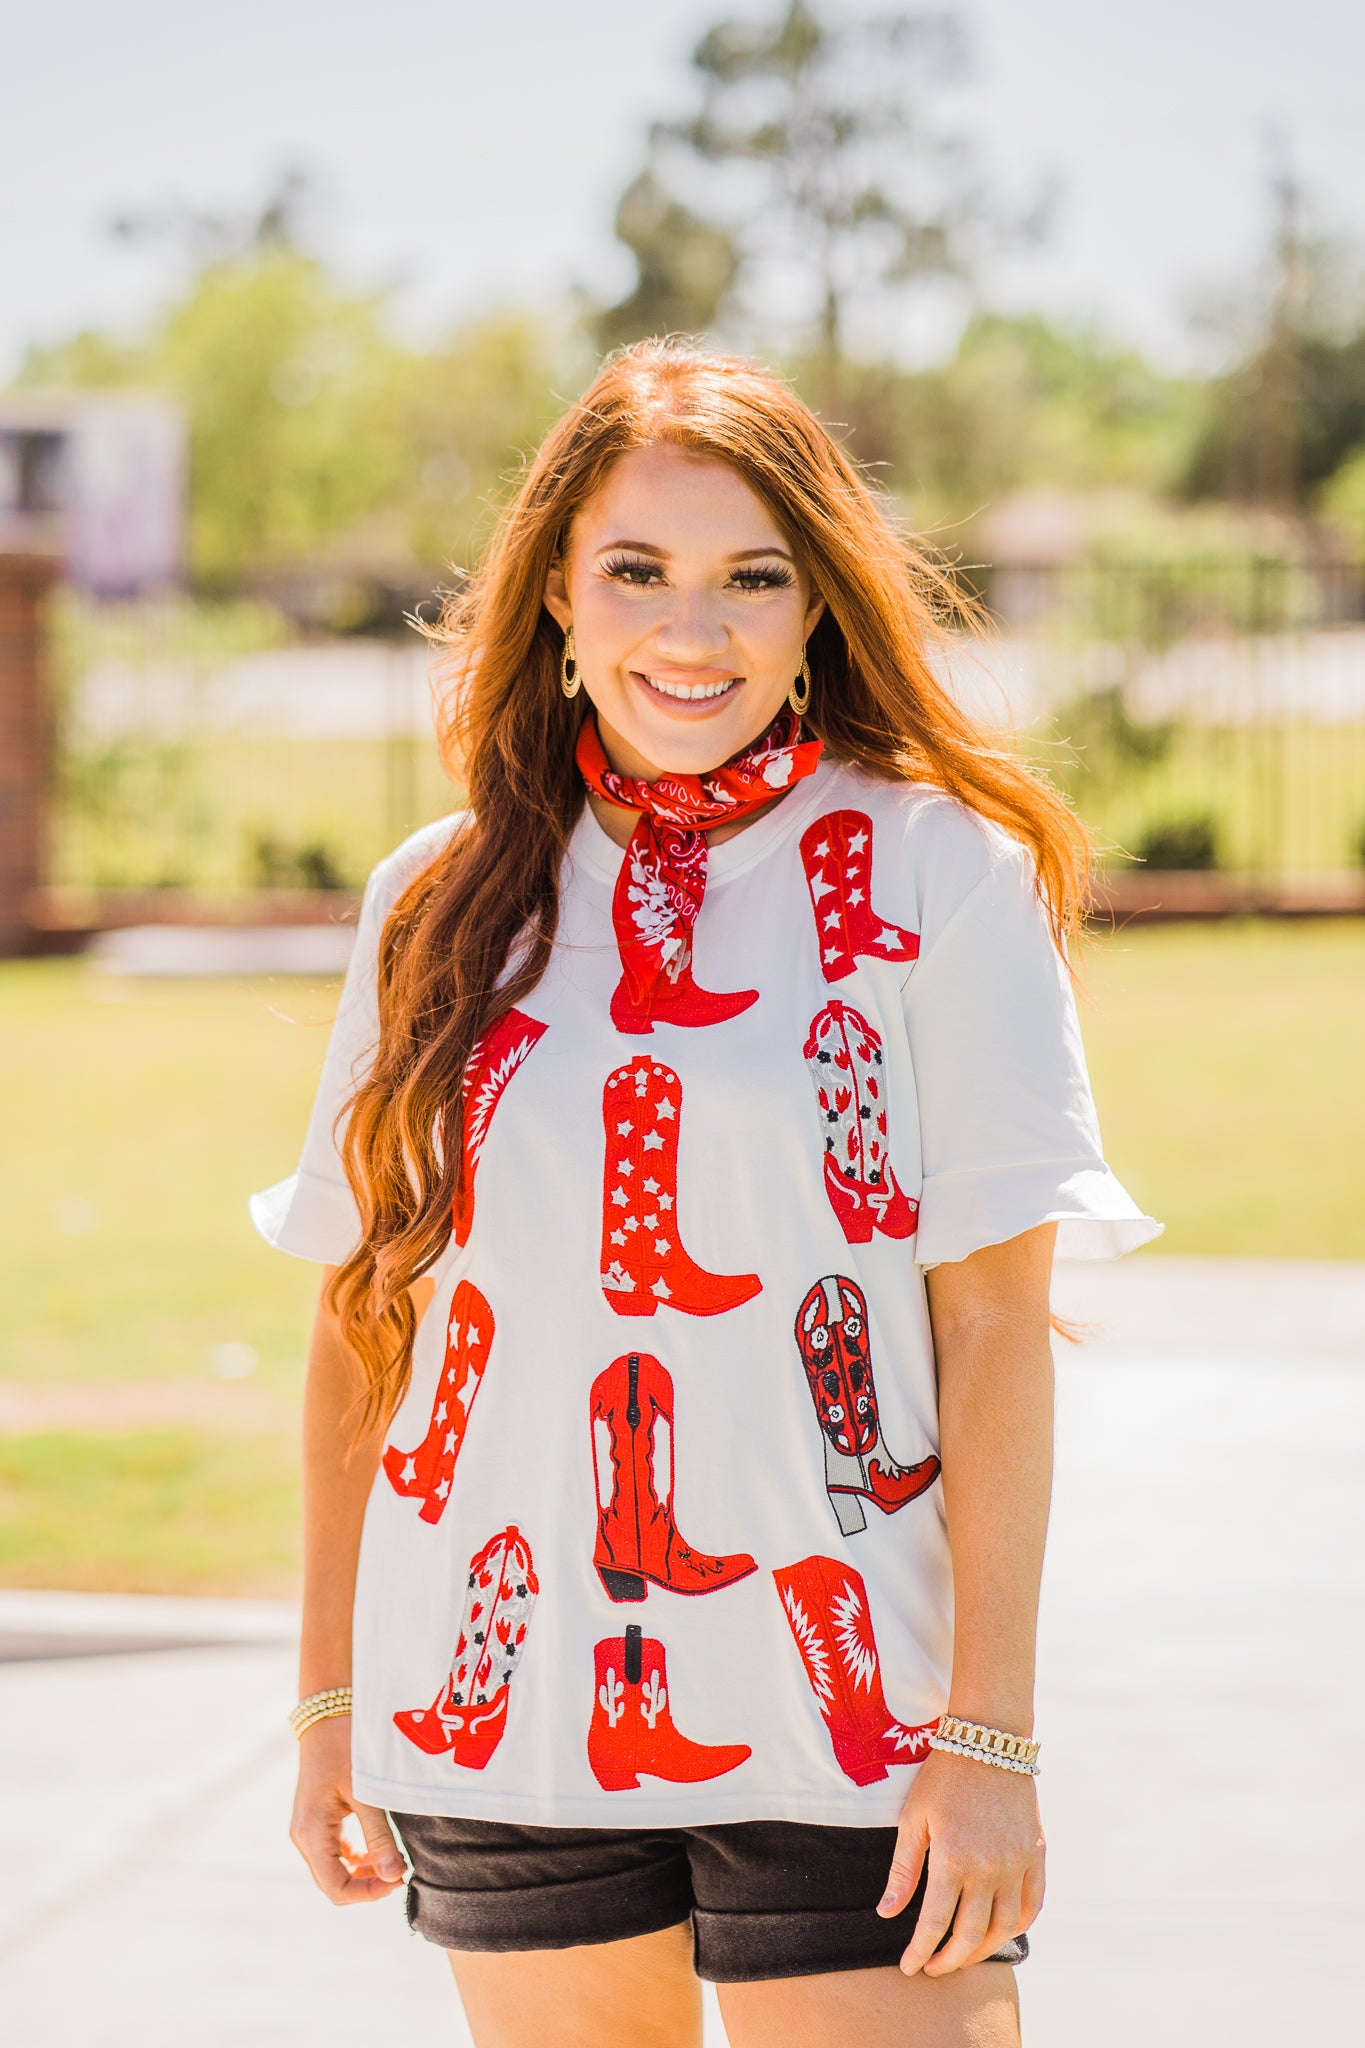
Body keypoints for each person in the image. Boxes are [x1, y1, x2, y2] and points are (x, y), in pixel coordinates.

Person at [252, 339, 1159, 2048]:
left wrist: (992, 1736)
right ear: (555, 608)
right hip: (498, 1692)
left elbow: (988, 1327)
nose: (694, 629)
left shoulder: (935, 872)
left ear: (817, 605)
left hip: (859, 1718)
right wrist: (325, 1704)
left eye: (753, 576)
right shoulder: (439, 899)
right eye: (637, 573)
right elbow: (364, 1325)